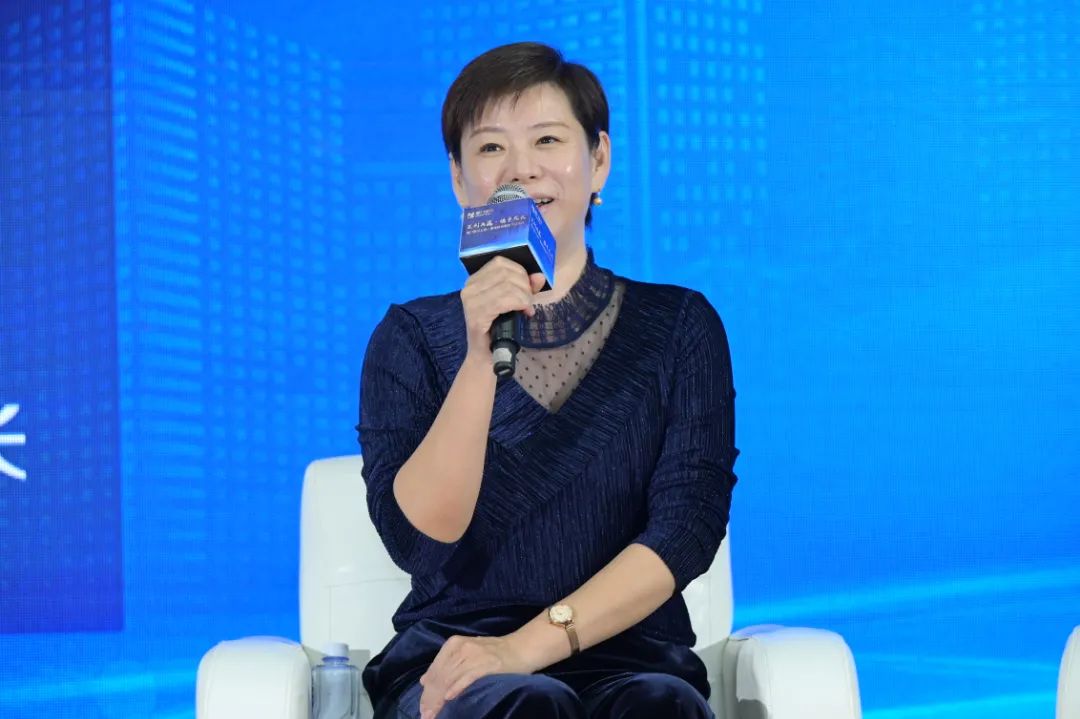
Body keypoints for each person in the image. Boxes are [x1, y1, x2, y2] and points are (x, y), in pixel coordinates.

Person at [357, 42, 738, 719]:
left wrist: (526, 647)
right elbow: (418, 542)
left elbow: (685, 531)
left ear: (599, 160)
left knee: (658, 709)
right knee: (525, 705)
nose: (521, 169)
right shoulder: (411, 337)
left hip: (632, 655)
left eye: (547, 140)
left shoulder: (680, 326)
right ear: (459, 179)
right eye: (491, 148)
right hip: (458, 658)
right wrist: (479, 358)